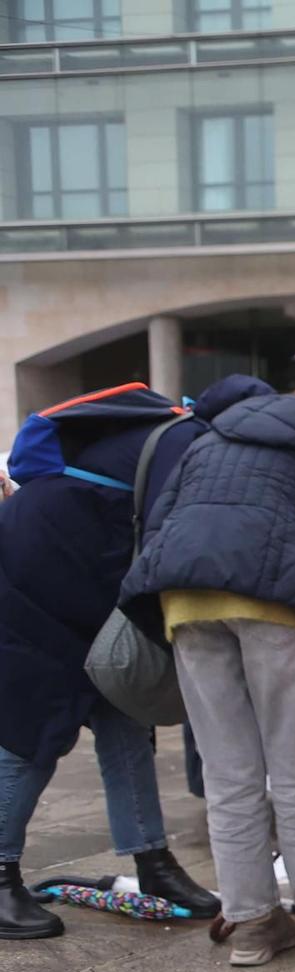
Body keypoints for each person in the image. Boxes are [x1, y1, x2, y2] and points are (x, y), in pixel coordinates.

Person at [119, 381, 295, 966]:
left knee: (228, 773)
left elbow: (161, 520)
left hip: (186, 602)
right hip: (276, 605)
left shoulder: (214, 435)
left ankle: (252, 925)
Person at [0, 379, 265, 938]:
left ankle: (154, 865)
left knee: (126, 724)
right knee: (31, 735)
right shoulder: (190, 443)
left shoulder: (188, 438)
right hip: (35, 583)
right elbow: (184, 543)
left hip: (89, 582)